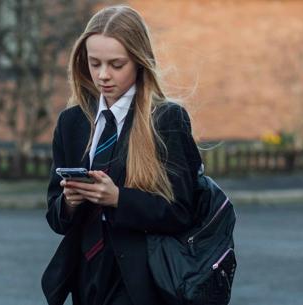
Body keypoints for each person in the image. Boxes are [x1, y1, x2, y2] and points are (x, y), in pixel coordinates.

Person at [42, 5, 203, 305]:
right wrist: (68, 202)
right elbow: (55, 218)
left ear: (140, 62)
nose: (103, 75)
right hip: (86, 276)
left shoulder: (166, 119)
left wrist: (118, 198)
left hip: (141, 279)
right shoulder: (71, 122)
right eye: (94, 63)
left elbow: (183, 212)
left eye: (117, 64)